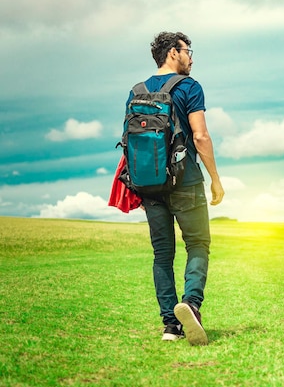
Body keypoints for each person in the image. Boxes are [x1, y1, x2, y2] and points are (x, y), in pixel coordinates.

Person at [126, 31, 225, 346]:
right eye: (188, 51)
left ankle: (171, 325)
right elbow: (200, 137)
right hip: (185, 180)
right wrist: (215, 179)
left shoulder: (135, 91)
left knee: (162, 254)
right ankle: (191, 305)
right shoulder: (189, 87)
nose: (192, 58)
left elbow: (130, 143)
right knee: (197, 244)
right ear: (173, 52)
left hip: (149, 182)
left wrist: (138, 184)